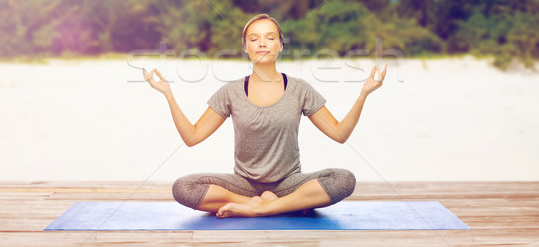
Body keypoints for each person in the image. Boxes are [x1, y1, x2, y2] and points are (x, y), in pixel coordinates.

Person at [142, 13, 387, 218]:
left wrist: (363, 94)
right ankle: (270, 204)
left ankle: (262, 209)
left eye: (270, 38)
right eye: (254, 39)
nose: (262, 43)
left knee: (343, 179)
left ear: (280, 45)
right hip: (244, 185)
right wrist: (168, 94)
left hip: (289, 184)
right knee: (183, 188)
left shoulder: (300, 89)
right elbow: (192, 137)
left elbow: (340, 133)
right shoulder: (231, 92)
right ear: (246, 48)